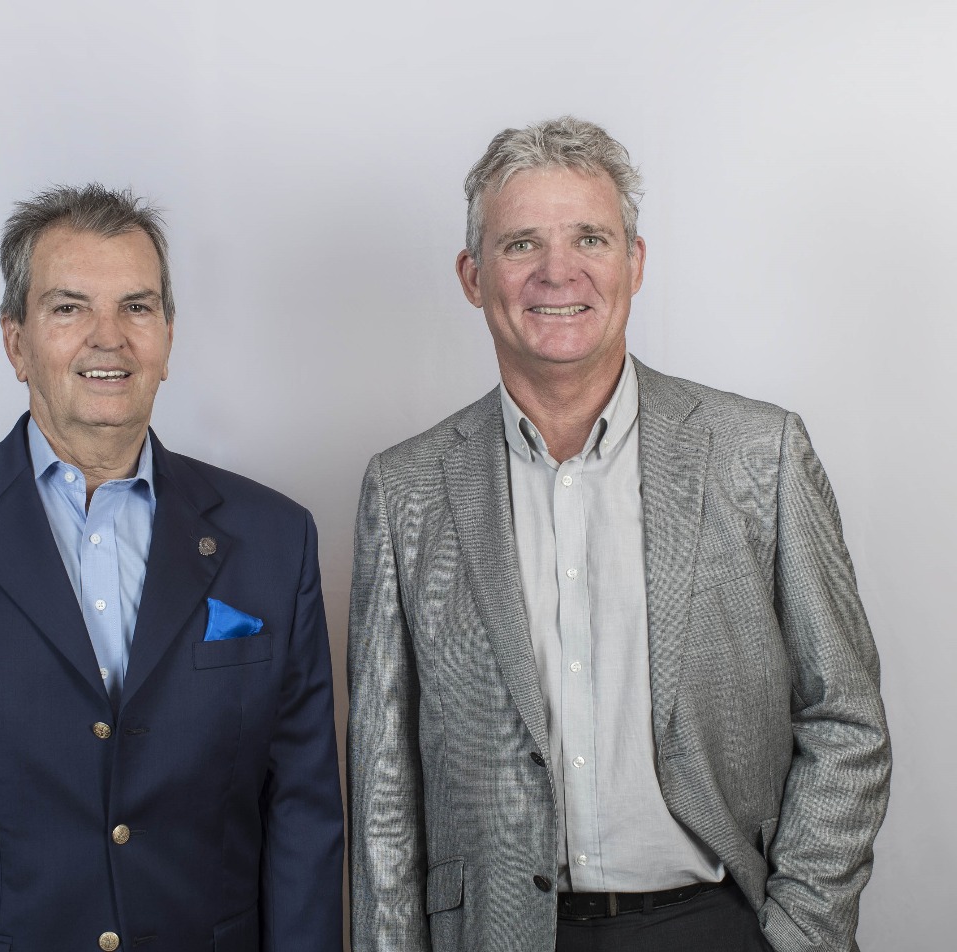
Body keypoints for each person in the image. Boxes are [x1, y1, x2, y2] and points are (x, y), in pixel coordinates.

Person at [347, 117, 890, 952]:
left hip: (719, 924)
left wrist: (798, 931)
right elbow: (383, 785)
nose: (557, 271)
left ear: (634, 263)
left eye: (589, 239)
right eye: (521, 243)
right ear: (473, 275)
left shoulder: (760, 453)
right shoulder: (406, 489)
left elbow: (843, 715)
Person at [0, 185, 344, 952]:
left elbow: (303, 809)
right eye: (69, 308)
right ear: (16, 342)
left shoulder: (273, 537)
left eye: (137, 307)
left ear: (168, 337)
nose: (109, 338)